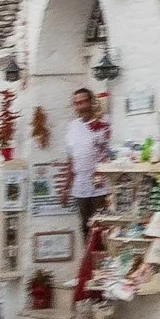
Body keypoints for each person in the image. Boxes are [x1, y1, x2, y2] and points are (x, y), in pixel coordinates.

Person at [63, 87, 108, 235]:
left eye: (84, 102)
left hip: (101, 187)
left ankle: (101, 257)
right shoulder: (72, 127)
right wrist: (66, 188)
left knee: (101, 227)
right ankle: (88, 258)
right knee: (85, 227)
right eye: (77, 103)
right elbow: (71, 160)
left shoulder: (103, 124)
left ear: (91, 102)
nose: (81, 106)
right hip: (80, 187)